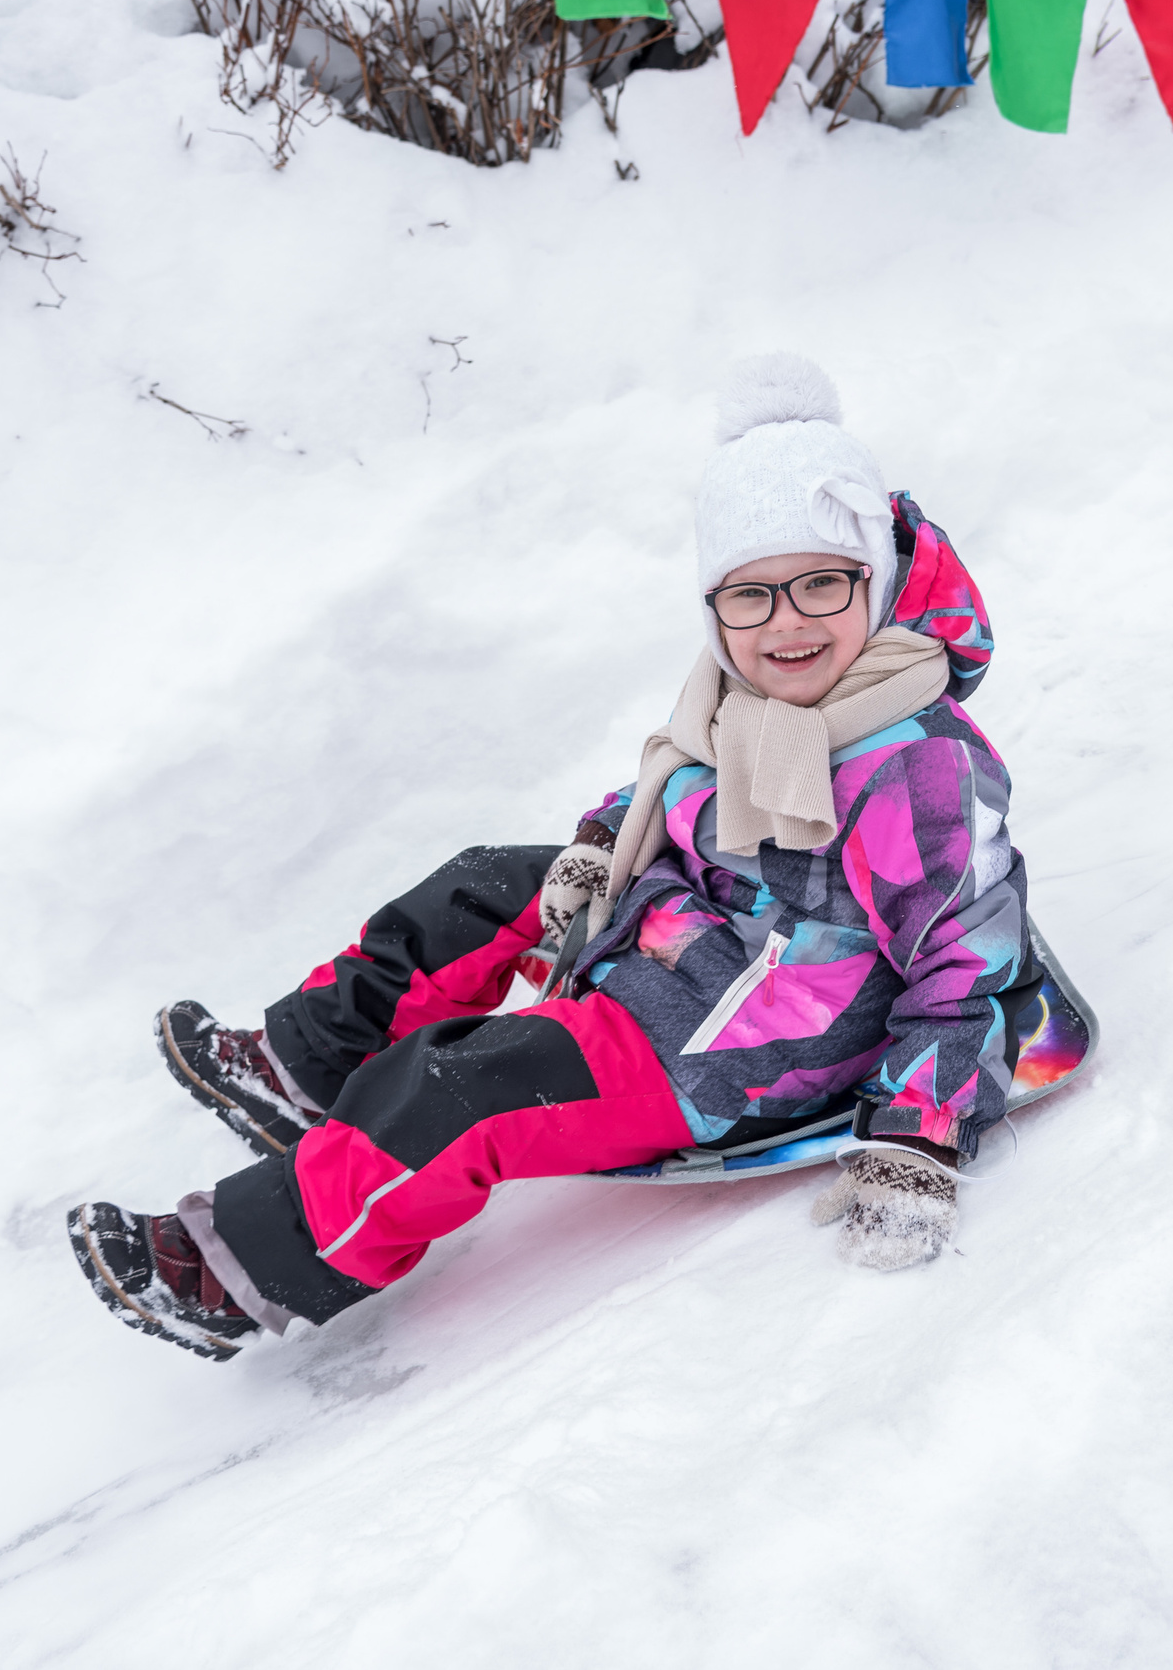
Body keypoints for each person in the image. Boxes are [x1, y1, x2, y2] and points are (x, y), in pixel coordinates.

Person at [66, 355, 1038, 1361]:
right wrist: (594, 849)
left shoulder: (914, 767)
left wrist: (916, 1137)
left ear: (872, 581)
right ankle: (299, 1070)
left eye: (820, 584)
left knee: (458, 1089)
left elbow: (965, 962)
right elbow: (678, 787)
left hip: (736, 1036)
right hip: (680, 921)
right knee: (480, 886)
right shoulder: (742, 693)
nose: (786, 620)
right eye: (749, 595)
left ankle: (236, 1272)